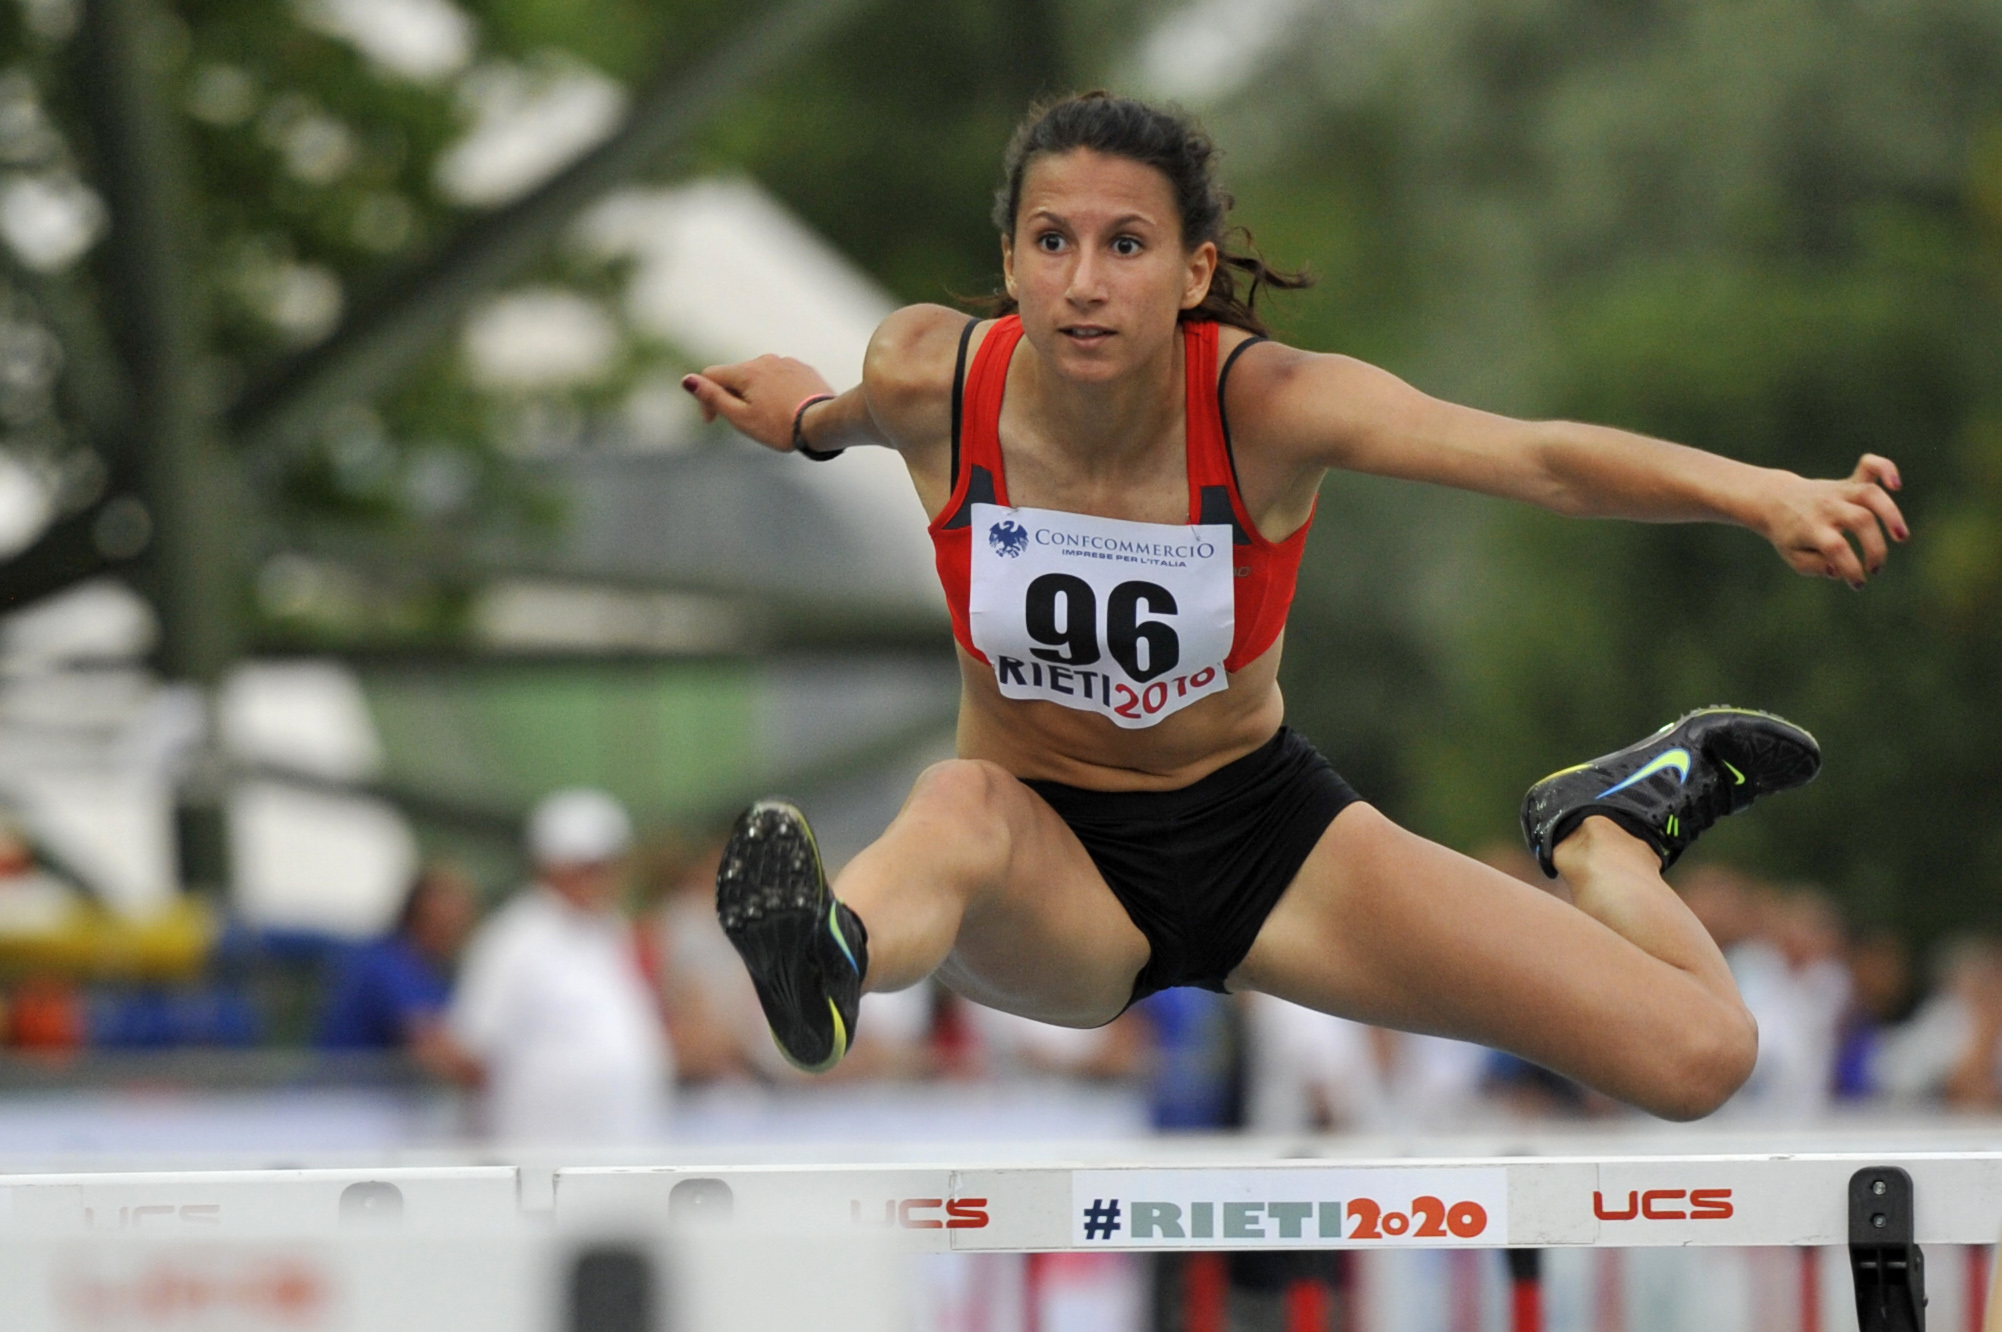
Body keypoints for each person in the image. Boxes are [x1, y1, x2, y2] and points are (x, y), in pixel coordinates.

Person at [684, 93, 1907, 1119]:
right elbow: (843, 415)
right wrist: (799, 420)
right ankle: (829, 953)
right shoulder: (931, 376)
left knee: (1703, 1061)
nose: (1084, 284)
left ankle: (1607, 840)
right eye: (1051, 242)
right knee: (956, 801)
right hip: (1047, 855)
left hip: (1268, 837)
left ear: (1192, 270)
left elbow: (1536, 457)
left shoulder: (1270, 408)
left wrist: (1758, 494)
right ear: (1009, 261)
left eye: (1126, 246)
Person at [444, 789, 672, 1143]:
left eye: (611, 866)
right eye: (591, 868)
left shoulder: (611, 931)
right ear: (552, 866)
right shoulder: (513, 939)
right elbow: (472, 1051)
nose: (605, 879)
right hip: (540, 1160)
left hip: (622, 1148)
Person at [314, 864, 476, 1059]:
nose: (463, 921)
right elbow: (430, 1043)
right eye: (455, 908)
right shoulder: (385, 965)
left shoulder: (434, 975)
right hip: (342, 1087)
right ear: (426, 909)